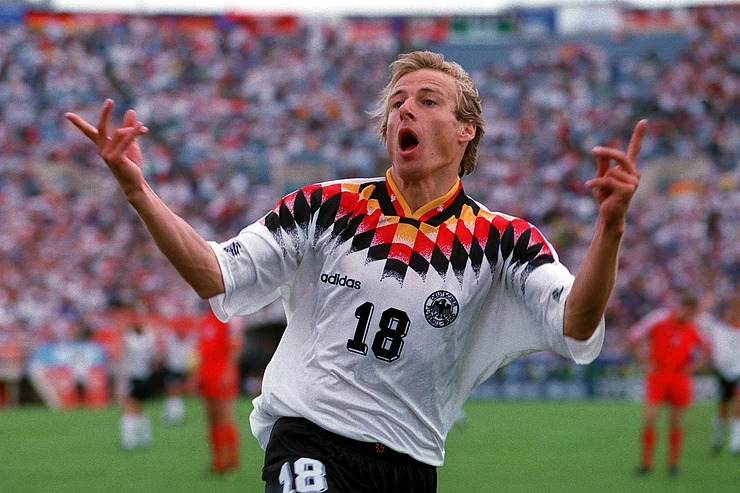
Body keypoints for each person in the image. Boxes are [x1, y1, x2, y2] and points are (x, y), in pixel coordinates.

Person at [65, 50, 645, 492]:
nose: (404, 109)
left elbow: (576, 322)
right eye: (397, 102)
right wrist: (139, 192)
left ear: (465, 130)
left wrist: (611, 227)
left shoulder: (503, 240)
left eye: (427, 100)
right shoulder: (326, 206)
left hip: (410, 464)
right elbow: (215, 274)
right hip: (309, 440)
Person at [626, 294, 710, 476]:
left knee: (676, 421)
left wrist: (693, 367)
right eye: (689, 312)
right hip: (658, 376)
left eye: (693, 314)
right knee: (650, 419)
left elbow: (707, 348)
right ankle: (646, 463)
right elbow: (633, 336)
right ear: (683, 307)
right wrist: (644, 362)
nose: (690, 316)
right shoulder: (659, 319)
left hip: (679, 378)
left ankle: (673, 463)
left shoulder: (694, 327)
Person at [196, 308, 243, 474]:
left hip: (221, 374)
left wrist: (229, 372)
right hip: (206, 374)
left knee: (225, 418)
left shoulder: (229, 318)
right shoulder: (206, 319)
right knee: (212, 419)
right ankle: (218, 461)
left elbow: (235, 347)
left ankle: (232, 461)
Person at [697, 289, 740, 455]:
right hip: (723, 372)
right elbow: (700, 317)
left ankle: (735, 443)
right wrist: (707, 302)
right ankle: (718, 437)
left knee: (738, 404)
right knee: (723, 406)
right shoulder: (717, 328)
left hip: (738, 371)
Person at [118, 323, 158, 451]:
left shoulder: (130, 339)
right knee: (140, 408)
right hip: (145, 376)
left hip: (134, 377)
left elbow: (122, 353)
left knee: (128, 408)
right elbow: (154, 358)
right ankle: (145, 439)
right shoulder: (149, 339)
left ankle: (129, 441)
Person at [161, 322, 196, 425]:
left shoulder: (189, 341)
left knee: (177, 391)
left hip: (183, 369)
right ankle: (173, 414)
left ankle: (176, 414)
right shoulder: (171, 339)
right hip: (172, 368)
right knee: (172, 391)